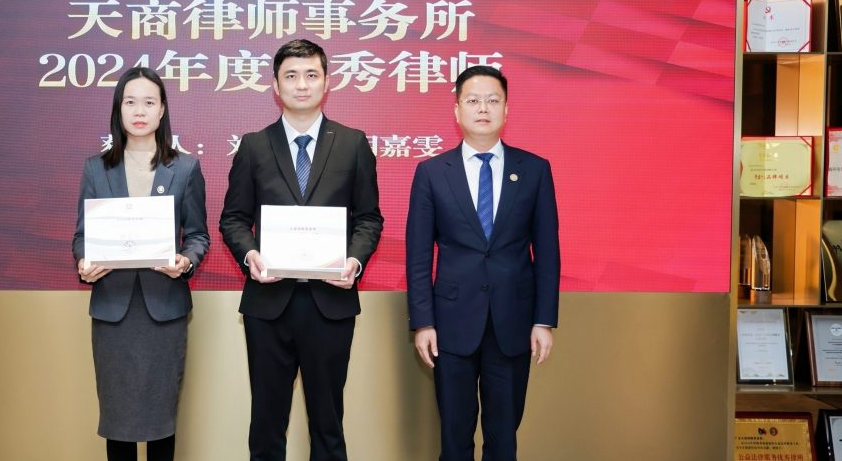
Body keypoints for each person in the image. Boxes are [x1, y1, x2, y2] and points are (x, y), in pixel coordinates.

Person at [220, 38, 383, 461]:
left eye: (311, 75)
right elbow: (233, 219)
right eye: (291, 76)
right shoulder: (254, 145)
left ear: (327, 82)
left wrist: (354, 260)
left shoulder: (353, 143)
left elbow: (369, 218)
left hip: (330, 303)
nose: (302, 84)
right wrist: (250, 254)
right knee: (266, 425)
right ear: (276, 86)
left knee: (328, 426)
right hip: (268, 304)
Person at [405, 65, 560, 461]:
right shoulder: (432, 173)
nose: (483, 109)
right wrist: (423, 322)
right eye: (473, 101)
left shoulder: (534, 170)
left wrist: (543, 320)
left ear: (507, 109)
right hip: (451, 323)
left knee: (503, 436)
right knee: (454, 437)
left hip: (513, 321)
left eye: (493, 100)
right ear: (457, 110)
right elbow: (418, 255)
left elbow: (547, 253)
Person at [72, 67, 209, 461]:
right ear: (118, 108)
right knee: (118, 422)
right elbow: (81, 237)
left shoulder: (185, 168)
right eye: (130, 101)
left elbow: (198, 236)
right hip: (113, 313)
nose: (139, 111)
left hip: (163, 311)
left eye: (149, 102)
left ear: (162, 110)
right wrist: (84, 261)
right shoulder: (96, 168)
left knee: (161, 420)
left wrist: (185, 261)